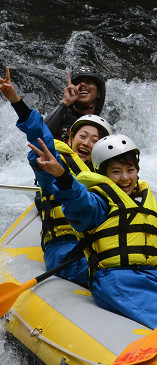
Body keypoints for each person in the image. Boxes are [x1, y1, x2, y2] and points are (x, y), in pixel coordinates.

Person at [29, 133, 157, 353]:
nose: (126, 178)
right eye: (116, 172)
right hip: (117, 280)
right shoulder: (97, 203)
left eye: (130, 170)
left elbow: (151, 254)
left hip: (150, 277)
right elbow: (77, 199)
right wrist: (61, 174)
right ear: (104, 175)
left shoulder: (140, 202)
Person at [1, 66, 111, 287]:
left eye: (94, 140)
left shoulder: (107, 173)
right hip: (65, 245)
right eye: (83, 137)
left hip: (98, 243)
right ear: (71, 139)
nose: (87, 143)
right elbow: (40, 133)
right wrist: (16, 101)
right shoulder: (56, 162)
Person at [44, 66, 106, 143]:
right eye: (78, 82)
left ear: (99, 93)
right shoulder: (61, 116)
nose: (82, 84)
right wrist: (66, 102)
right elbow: (40, 135)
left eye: (89, 81)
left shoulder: (102, 127)